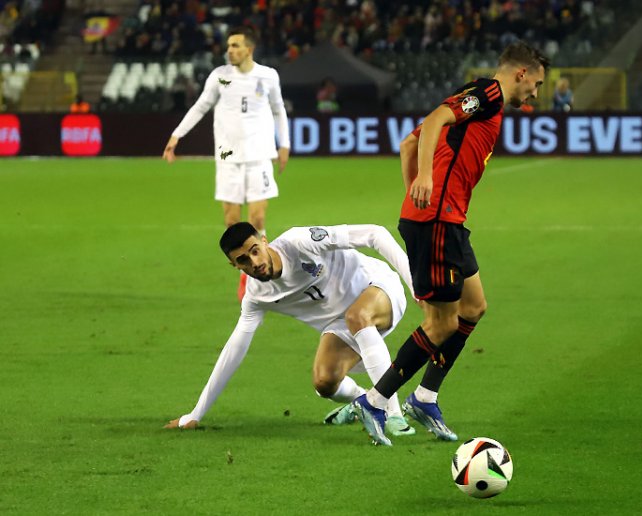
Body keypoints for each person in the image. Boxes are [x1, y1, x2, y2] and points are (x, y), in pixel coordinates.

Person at [353, 41, 550, 446]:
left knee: (474, 307)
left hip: (444, 221)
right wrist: (424, 181)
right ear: (521, 74)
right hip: (437, 222)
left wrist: (415, 193)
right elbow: (433, 119)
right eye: (537, 83)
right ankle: (374, 401)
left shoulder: (477, 100)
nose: (536, 93)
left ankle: (425, 397)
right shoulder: (489, 94)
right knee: (441, 322)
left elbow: (410, 142)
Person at [164, 222, 419, 442]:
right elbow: (234, 349)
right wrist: (196, 414)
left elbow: (375, 234)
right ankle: (363, 400)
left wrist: (415, 283)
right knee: (324, 383)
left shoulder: (300, 242)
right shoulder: (256, 296)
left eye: (255, 251)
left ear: (264, 241)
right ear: (233, 265)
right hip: (342, 324)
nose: (254, 262)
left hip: (379, 288)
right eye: (243, 260)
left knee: (357, 315)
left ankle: (394, 414)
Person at [162, 27, 290, 300]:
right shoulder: (220, 77)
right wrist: (176, 135)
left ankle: (259, 273)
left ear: (249, 49)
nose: (229, 50)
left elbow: (279, 110)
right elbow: (200, 106)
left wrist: (285, 144)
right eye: (229, 46)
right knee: (232, 221)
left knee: (257, 218)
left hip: (258, 155)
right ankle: (246, 274)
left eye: (235, 46)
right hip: (228, 158)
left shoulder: (267, 76)